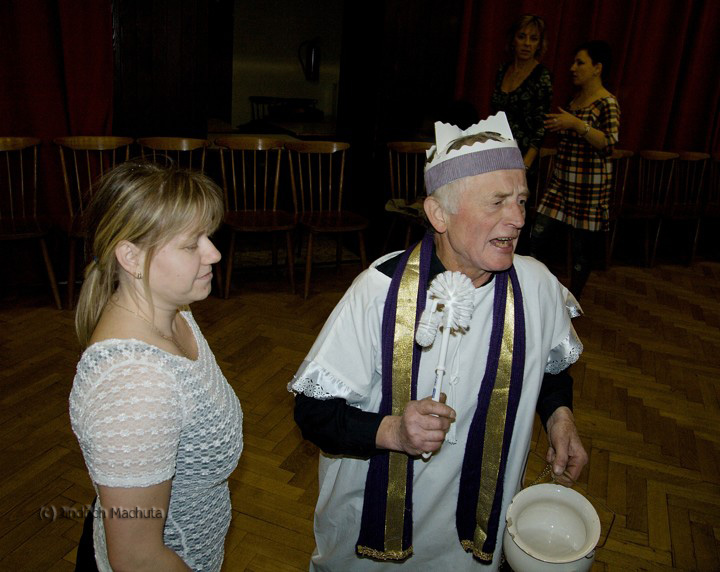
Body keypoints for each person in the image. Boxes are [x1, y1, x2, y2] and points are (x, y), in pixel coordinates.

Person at [289, 112, 588, 571]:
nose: (517, 220)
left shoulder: (537, 285)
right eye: (497, 203)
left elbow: (550, 368)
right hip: (373, 543)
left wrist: (559, 419)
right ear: (438, 214)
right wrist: (393, 431)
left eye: (521, 201)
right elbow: (313, 414)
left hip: (475, 539)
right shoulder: (379, 292)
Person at [69, 161, 243, 571]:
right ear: (131, 256)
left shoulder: (173, 310)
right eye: (191, 244)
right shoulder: (134, 386)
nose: (214, 253)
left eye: (208, 236)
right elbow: (137, 558)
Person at [530, 40, 620, 298]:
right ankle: (533, 291)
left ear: (597, 68)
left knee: (582, 251)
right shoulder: (575, 99)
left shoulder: (607, 102)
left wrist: (577, 125)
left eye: (580, 63)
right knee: (537, 236)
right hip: (562, 182)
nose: (573, 68)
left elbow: (609, 143)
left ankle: (572, 302)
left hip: (589, 189)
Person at [490, 14, 552, 173]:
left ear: (539, 44)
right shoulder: (503, 70)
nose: (527, 44)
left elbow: (541, 127)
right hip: (497, 153)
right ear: (513, 40)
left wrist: (525, 164)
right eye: (522, 37)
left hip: (523, 158)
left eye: (533, 39)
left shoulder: (542, 76)